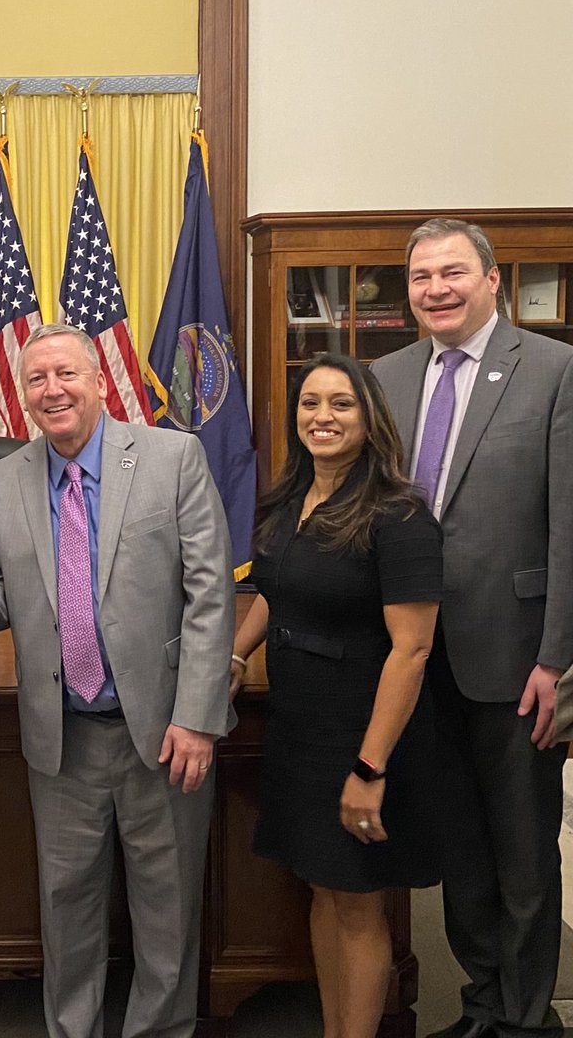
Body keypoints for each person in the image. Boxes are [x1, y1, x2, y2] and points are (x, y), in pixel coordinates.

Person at [0, 322, 233, 1038]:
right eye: (36, 379)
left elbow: (211, 593)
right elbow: (1, 590)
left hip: (165, 734)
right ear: (21, 395)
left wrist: (200, 715)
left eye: (66, 375)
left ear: (99, 380)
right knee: (67, 909)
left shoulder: (173, 457)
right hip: (63, 740)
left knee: (167, 911)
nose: (52, 390)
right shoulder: (1, 480)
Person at [371, 218, 573, 1038]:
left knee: (523, 853)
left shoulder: (555, 370)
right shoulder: (386, 376)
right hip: (416, 661)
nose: (437, 290)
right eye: (421, 278)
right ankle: (483, 1004)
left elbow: (569, 525)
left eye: (453, 272)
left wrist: (558, 660)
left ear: (493, 280)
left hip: (517, 656)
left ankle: (528, 1020)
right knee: (458, 849)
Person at [231, 352, 442, 1038]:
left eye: (340, 404)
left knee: (358, 902)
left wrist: (369, 769)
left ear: (370, 417)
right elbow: (271, 590)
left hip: (361, 732)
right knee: (323, 888)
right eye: (310, 404)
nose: (322, 417)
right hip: (298, 726)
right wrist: (237, 652)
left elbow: (411, 650)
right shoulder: (294, 499)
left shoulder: (400, 514)